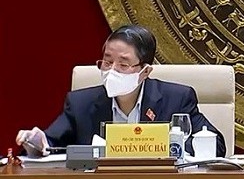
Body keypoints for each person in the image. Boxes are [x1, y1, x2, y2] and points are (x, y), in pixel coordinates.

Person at [16, 25, 227, 157]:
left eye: (123, 65)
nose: (112, 71)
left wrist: (165, 146)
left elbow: (216, 144)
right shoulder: (81, 103)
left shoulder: (177, 98)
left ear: (145, 71)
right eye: (107, 62)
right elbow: (50, 143)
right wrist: (38, 142)